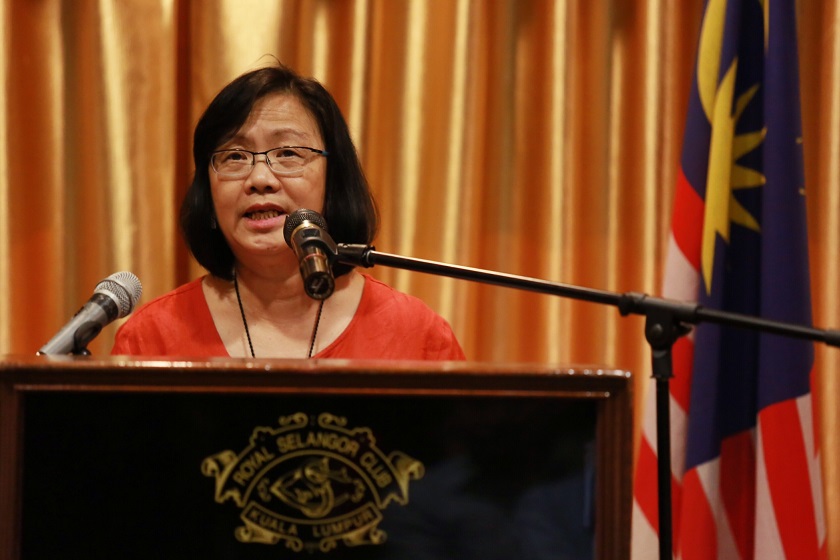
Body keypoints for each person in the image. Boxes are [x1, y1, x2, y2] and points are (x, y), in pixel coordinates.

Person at [111, 63, 464, 360]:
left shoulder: (418, 337)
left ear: (333, 179)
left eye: (288, 153)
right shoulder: (149, 341)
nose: (260, 179)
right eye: (235, 156)